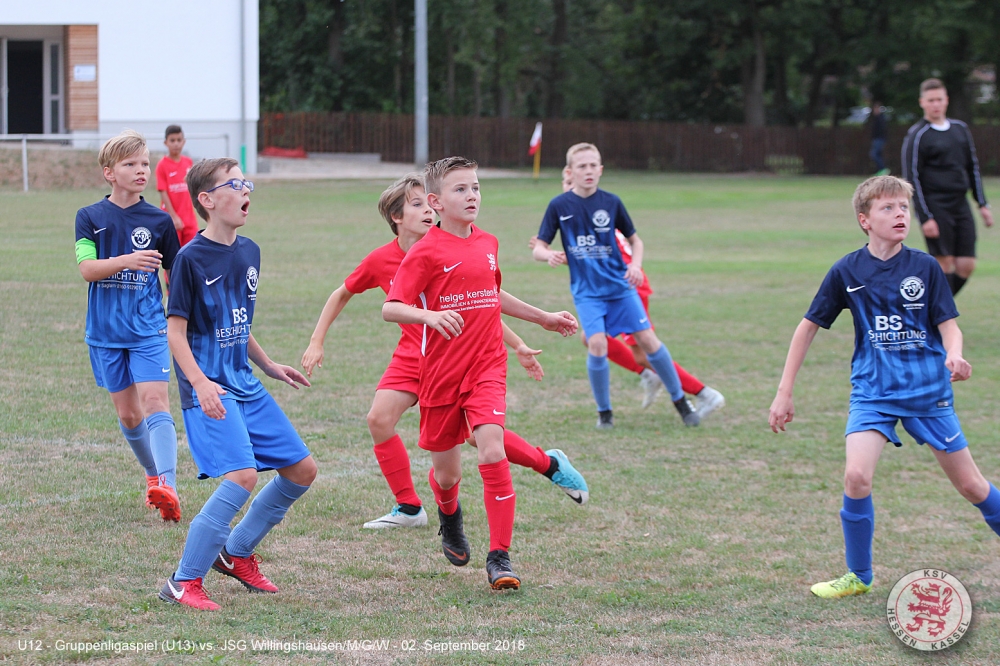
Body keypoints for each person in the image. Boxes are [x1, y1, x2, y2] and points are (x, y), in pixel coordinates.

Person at [301, 175, 589, 529]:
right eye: (417, 204)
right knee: (378, 419)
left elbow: (482, 302)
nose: (428, 210)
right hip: (412, 355)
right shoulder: (382, 259)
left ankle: (548, 464)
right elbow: (342, 293)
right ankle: (409, 507)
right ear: (396, 216)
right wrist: (316, 341)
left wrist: (518, 344)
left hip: (456, 357)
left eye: (429, 203)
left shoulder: (451, 247)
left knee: (475, 436)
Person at [768, 175, 1000, 599]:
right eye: (888, 208)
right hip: (873, 391)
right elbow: (807, 328)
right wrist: (784, 391)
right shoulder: (847, 270)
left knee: (972, 486)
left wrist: (954, 354)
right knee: (856, 476)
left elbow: (949, 326)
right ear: (865, 220)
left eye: (904, 208)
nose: (900, 215)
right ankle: (859, 575)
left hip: (927, 392)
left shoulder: (925, 267)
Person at [383, 157, 578, 590]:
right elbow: (390, 307)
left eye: (475, 187)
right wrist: (429, 316)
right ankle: (450, 515)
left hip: (487, 365)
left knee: (491, 449)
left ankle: (500, 557)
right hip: (441, 374)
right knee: (447, 476)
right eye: (460, 189)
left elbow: (491, 292)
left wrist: (543, 318)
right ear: (435, 202)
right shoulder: (425, 251)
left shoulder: (488, 242)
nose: (472, 196)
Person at [158, 158, 318, 611]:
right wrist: (200, 383)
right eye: (234, 184)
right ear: (207, 200)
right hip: (210, 388)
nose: (246, 189)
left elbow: (237, 322)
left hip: (245, 383)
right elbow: (175, 332)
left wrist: (267, 364)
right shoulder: (189, 259)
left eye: (246, 182)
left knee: (302, 470)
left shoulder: (250, 252)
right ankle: (182, 581)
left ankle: (236, 552)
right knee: (242, 475)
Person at [530, 168, 725, 417]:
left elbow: (602, 259)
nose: (569, 188)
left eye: (571, 182)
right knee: (592, 339)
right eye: (565, 183)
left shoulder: (600, 213)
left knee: (643, 351)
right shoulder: (573, 212)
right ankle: (650, 376)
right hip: (609, 287)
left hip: (627, 286)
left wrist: (557, 254)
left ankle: (703, 393)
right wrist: (552, 254)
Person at [74, 129, 181, 522]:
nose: (141, 170)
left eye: (145, 164)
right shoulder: (89, 217)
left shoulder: (159, 220)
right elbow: (87, 269)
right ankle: (153, 475)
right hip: (105, 333)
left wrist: (182, 317)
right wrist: (126, 260)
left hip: (148, 328)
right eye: (131, 164)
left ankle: (168, 486)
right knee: (130, 416)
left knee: (155, 403)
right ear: (109, 172)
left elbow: (176, 273)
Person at [901, 78, 992, 295]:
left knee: (966, 264)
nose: (936, 104)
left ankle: (931, 307)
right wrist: (925, 217)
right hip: (935, 205)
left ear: (946, 100)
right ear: (922, 102)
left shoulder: (960, 129)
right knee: (944, 263)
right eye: (931, 100)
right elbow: (911, 178)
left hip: (960, 205)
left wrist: (982, 203)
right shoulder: (918, 135)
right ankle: (941, 313)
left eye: (939, 99)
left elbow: (972, 167)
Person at [155, 125, 199, 247]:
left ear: (183, 142)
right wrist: (173, 217)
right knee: (173, 254)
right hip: (172, 218)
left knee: (192, 250)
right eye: (172, 140)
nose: (176, 144)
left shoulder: (188, 162)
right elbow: (163, 192)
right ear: (166, 143)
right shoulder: (162, 165)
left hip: (189, 218)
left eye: (179, 140)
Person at [868, 102, 889, 176]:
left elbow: (882, 129)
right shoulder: (877, 118)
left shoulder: (880, 118)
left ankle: (882, 169)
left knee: (874, 154)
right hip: (877, 139)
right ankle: (881, 170)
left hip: (879, 139)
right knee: (878, 154)